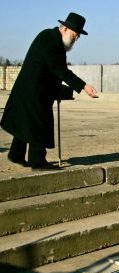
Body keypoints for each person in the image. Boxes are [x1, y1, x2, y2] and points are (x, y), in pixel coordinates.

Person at [1, 12, 98, 170]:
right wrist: (84, 86)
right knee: (39, 124)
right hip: (34, 91)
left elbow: (53, 71)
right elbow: (61, 70)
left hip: (33, 89)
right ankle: (37, 161)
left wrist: (62, 90)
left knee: (26, 123)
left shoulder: (51, 37)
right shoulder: (51, 42)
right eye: (74, 35)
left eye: (78, 37)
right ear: (65, 29)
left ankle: (16, 154)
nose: (75, 39)